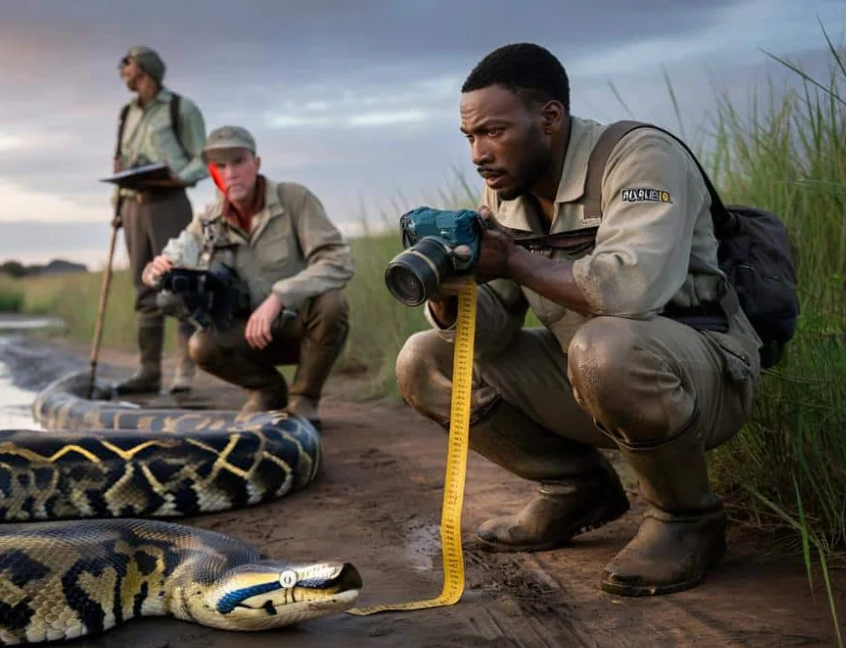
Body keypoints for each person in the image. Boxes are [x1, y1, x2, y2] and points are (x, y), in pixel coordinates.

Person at [395, 43, 762, 597]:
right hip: (591, 371)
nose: (478, 154)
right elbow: (492, 333)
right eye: (469, 137)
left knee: (603, 346)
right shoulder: (507, 190)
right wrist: (450, 292)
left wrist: (514, 261)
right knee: (423, 359)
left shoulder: (639, 156)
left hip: (701, 373)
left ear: (550, 117)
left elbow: (633, 289)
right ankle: (575, 489)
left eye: (493, 131)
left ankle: (687, 516)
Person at [140, 125, 355, 427]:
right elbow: (170, 258)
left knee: (332, 304)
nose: (230, 174)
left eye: (238, 161)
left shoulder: (294, 199)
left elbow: (339, 260)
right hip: (249, 336)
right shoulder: (209, 220)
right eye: (220, 166)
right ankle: (268, 391)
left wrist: (280, 297)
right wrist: (156, 271)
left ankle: (304, 398)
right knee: (201, 345)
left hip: (298, 326)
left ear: (257, 163)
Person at [111, 45, 208, 395]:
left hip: (169, 202)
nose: (122, 70)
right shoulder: (126, 112)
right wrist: (116, 207)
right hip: (133, 205)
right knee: (144, 288)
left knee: (179, 282)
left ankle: (185, 372)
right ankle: (148, 371)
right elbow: (120, 159)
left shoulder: (181, 108)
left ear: (145, 68)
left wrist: (181, 177)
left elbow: (204, 157)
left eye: (127, 64)